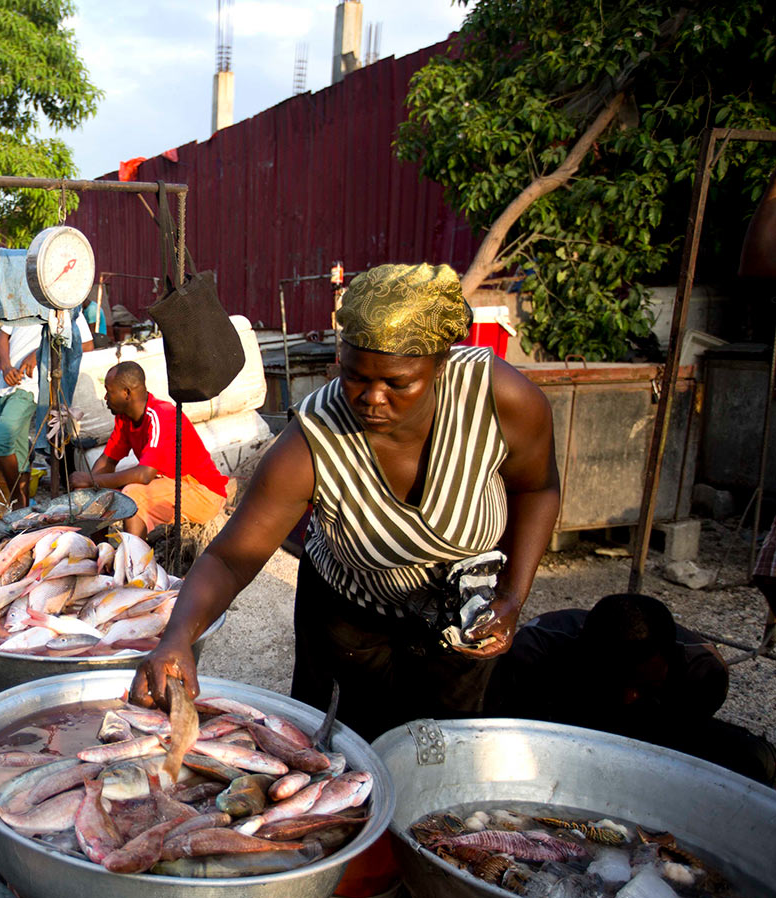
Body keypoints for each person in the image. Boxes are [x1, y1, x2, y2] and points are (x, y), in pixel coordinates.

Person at [134, 263, 561, 741]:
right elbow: (232, 559)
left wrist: (511, 596)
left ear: (441, 363)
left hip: (459, 614)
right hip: (349, 622)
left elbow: (536, 488)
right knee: (341, 754)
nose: (371, 398)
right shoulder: (314, 441)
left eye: (398, 383)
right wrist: (176, 639)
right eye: (355, 376)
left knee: (447, 754)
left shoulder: (499, 399)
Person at [486, 595, 776, 785]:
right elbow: (518, 733)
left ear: (667, 658)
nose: (628, 696)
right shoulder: (541, 647)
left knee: (754, 762)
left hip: (654, 730)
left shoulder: (701, 672)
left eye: (642, 684)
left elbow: (680, 749)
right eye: (614, 679)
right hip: (569, 720)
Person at [69, 361, 228, 538]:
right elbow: (108, 460)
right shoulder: (125, 419)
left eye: (109, 391)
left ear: (126, 393)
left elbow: (144, 475)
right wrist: (90, 490)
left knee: (134, 494)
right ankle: (98, 555)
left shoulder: (161, 416)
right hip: (169, 485)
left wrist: (93, 481)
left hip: (203, 493)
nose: (106, 398)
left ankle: (135, 563)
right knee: (100, 497)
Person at [0, 318, 43, 507]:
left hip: (29, 386)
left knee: (0, 441)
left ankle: (16, 500)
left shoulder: (57, 303)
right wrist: (6, 365)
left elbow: (66, 338)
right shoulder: (20, 304)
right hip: (7, 384)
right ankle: (23, 513)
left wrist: (38, 353)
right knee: (19, 452)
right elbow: (3, 337)